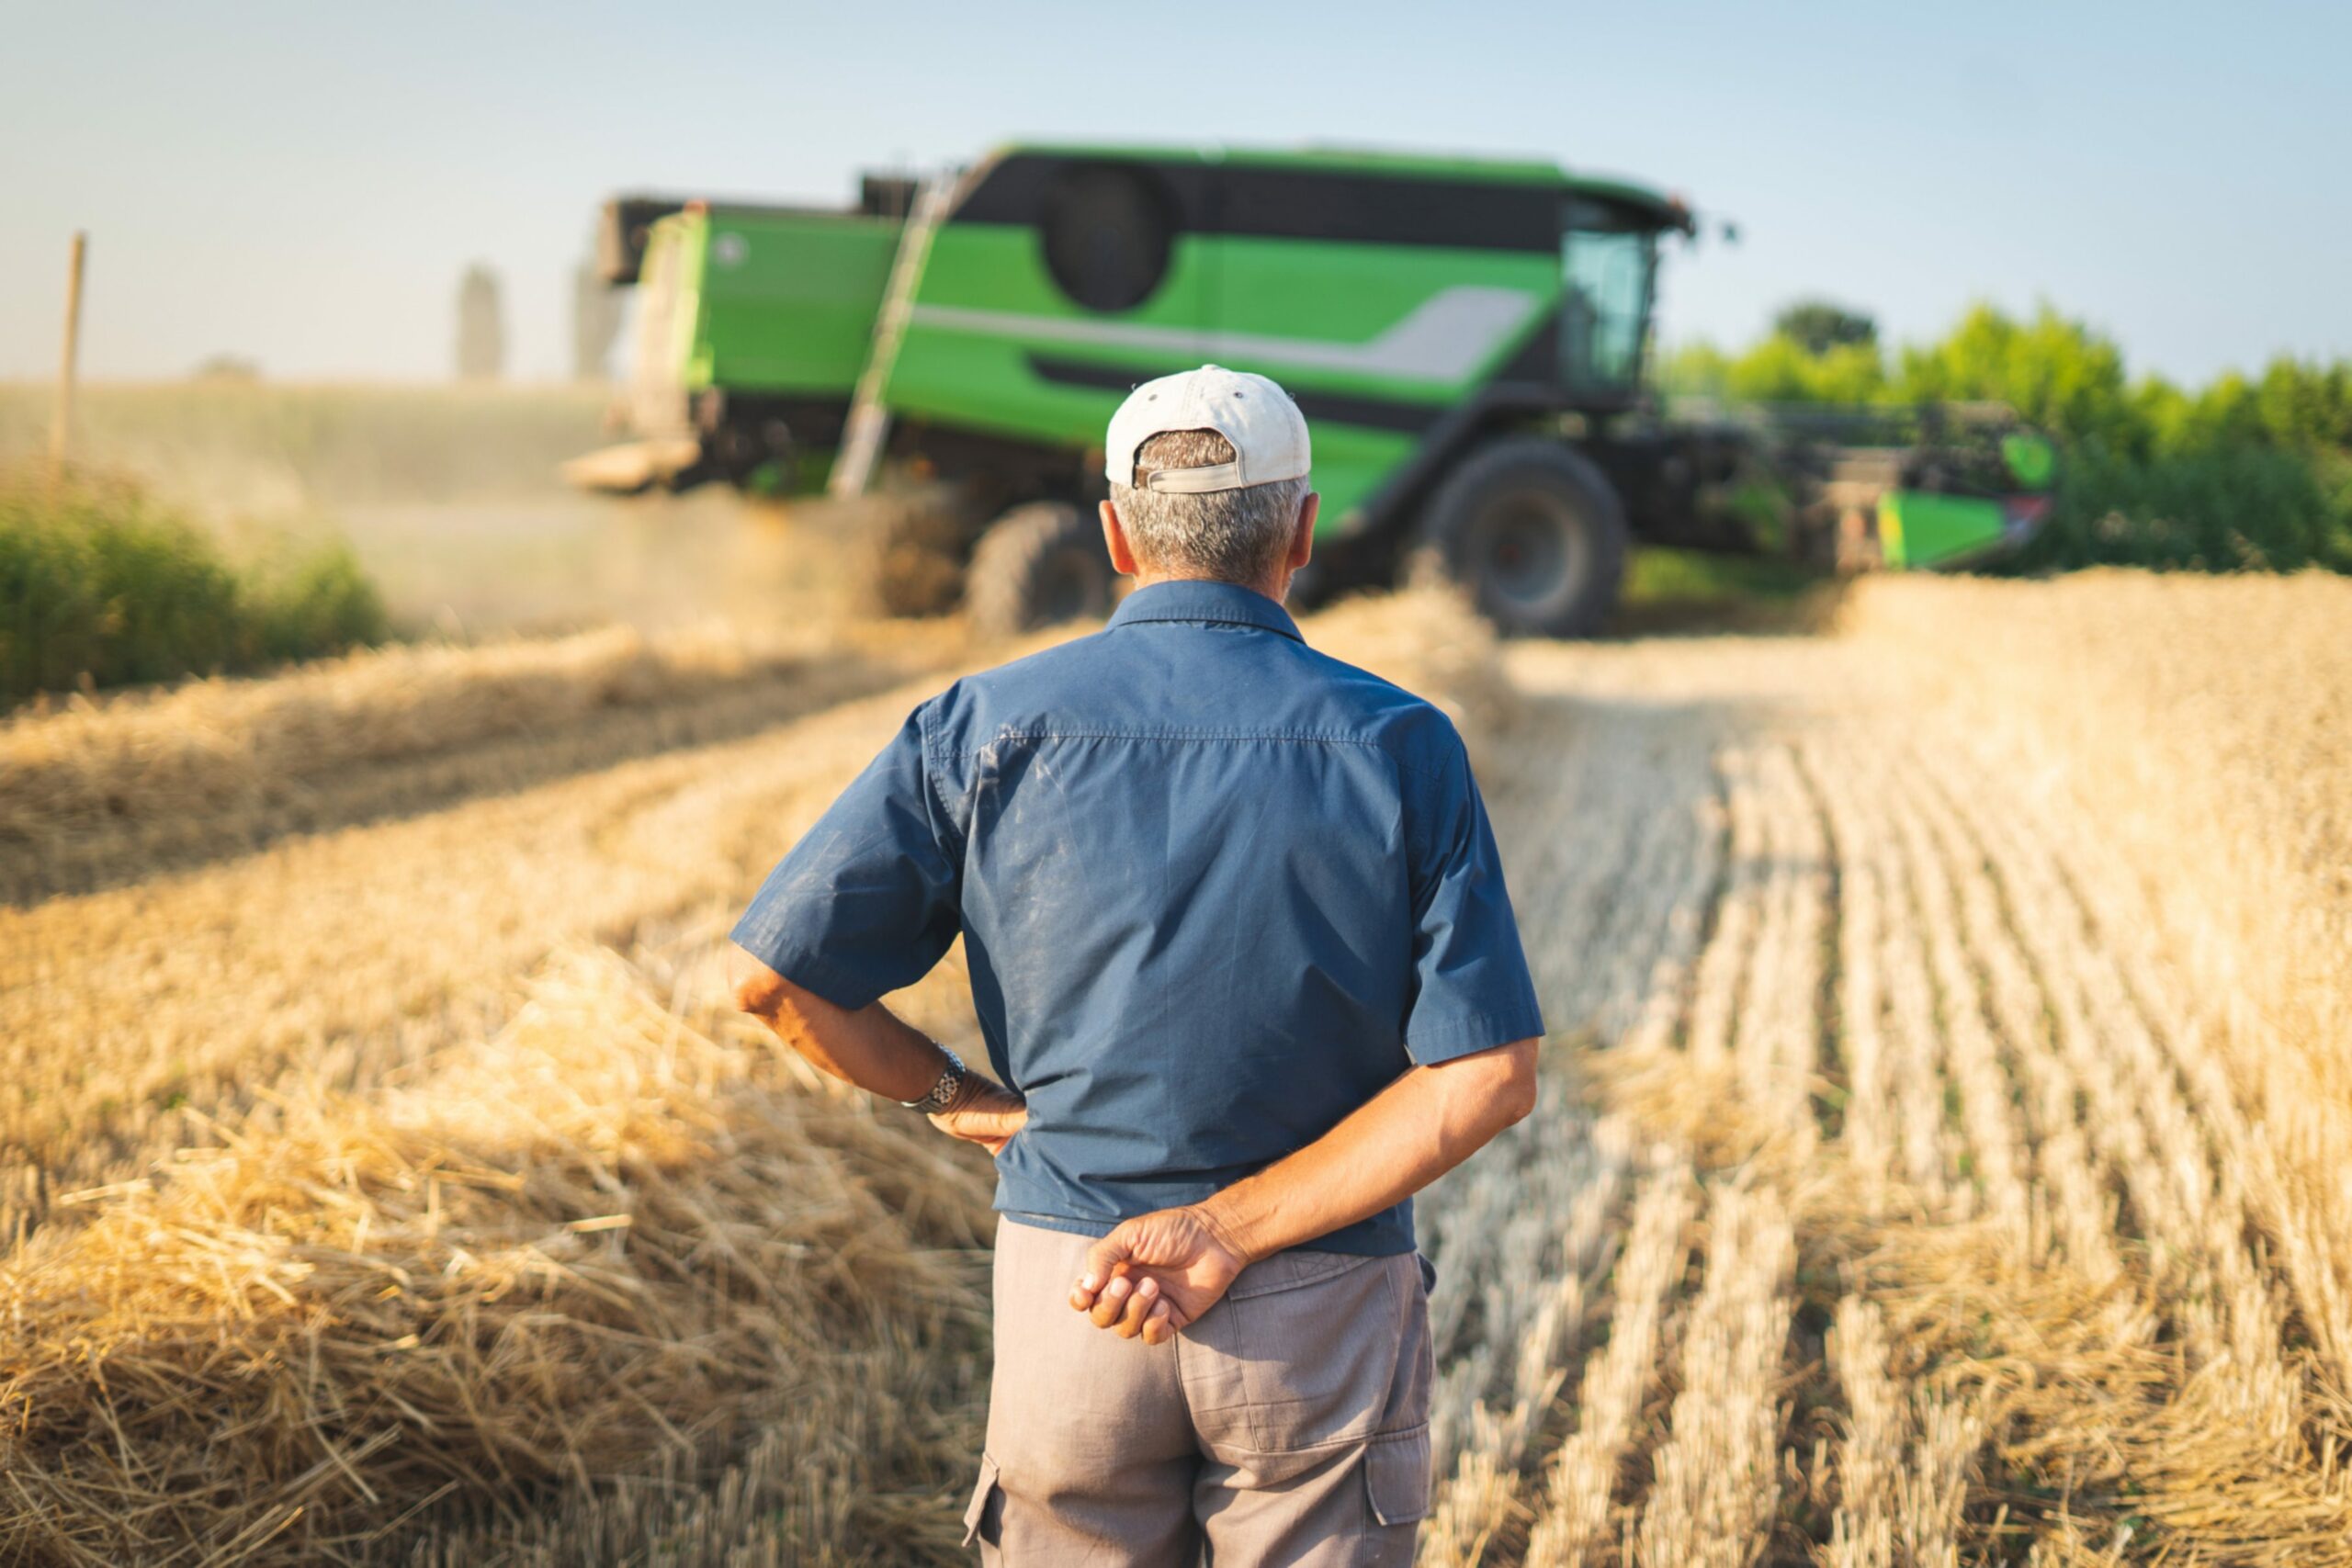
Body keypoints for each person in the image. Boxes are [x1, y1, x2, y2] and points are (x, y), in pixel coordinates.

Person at [729, 365, 1544, 1564]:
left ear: (1114, 530)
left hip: (1078, 1296)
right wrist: (1228, 1230)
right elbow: (1487, 1077)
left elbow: (775, 981)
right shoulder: (1398, 742)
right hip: (1315, 1314)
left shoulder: (980, 726)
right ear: (1303, 529)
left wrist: (956, 1099)